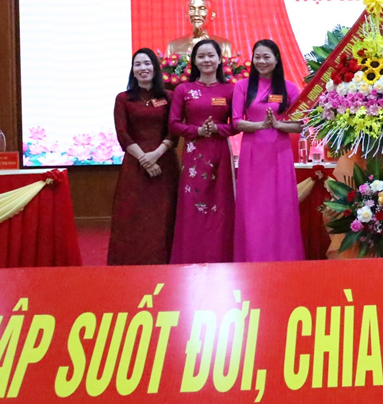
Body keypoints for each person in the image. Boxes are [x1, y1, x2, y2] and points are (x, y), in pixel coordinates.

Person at [232, 40, 305, 262]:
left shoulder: (289, 88)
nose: (261, 61)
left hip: (279, 153)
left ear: (276, 59)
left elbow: (300, 125)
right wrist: (260, 125)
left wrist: (278, 125)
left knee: (280, 207)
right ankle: (251, 258)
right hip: (252, 153)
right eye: (257, 57)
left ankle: (284, 259)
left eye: (266, 57)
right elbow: (236, 122)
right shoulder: (242, 86)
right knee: (253, 209)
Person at [108, 48, 180, 265]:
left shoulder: (169, 97)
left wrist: (156, 155)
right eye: (137, 64)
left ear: (155, 68)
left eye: (147, 63)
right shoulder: (123, 99)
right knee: (132, 214)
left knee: (164, 215)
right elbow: (122, 133)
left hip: (164, 162)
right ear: (132, 70)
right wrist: (144, 159)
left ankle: (165, 262)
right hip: (135, 165)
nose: (143, 68)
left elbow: (173, 131)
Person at [169, 39, 236, 263]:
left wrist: (217, 129)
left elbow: (236, 124)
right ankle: (189, 257)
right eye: (201, 56)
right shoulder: (183, 89)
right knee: (192, 204)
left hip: (220, 153)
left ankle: (220, 257)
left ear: (219, 59)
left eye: (211, 55)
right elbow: (173, 124)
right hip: (194, 154)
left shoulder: (230, 90)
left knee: (220, 205)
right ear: (194, 61)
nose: (206, 60)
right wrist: (197, 130)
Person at [166, 0, 235, 58]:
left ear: (212, 15)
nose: (196, 14)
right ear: (186, 15)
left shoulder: (224, 46)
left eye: (202, 9)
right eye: (192, 9)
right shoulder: (174, 46)